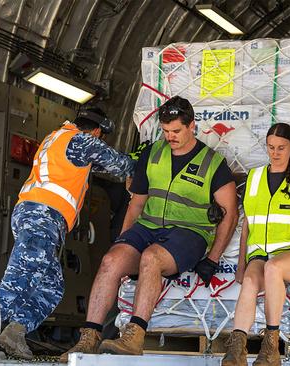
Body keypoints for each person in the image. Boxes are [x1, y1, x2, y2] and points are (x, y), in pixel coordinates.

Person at [60, 96, 238, 362]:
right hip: (148, 226)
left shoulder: (213, 163)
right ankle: (89, 337)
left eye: (176, 131)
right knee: (111, 260)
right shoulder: (152, 153)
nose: (170, 137)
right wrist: (123, 241)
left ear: (192, 126)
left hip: (189, 233)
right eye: (166, 131)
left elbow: (231, 214)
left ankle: (135, 335)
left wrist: (212, 258)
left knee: (151, 258)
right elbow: (136, 204)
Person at [0, 107, 136, 361]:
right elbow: (118, 163)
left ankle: (14, 334)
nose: (99, 141)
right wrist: (142, 164)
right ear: (96, 131)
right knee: (18, 280)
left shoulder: (60, 138)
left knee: (51, 286)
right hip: (42, 217)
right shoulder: (80, 141)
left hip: (37, 215)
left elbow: (94, 167)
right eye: (100, 137)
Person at [222, 123, 290, 366]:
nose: (275, 153)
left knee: (273, 268)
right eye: (271, 147)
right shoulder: (254, 177)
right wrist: (242, 263)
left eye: (281, 147)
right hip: (261, 252)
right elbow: (247, 225)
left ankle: (271, 347)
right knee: (250, 281)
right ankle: (236, 348)